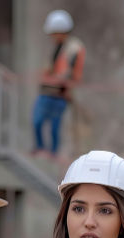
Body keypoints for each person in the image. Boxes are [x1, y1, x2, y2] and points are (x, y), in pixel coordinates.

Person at [33, 9, 85, 157]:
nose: (52, 37)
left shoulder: (74, 48)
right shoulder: (56, 47)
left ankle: (52, 154)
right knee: (37, 121)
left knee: (55, 127)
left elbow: (73, 72)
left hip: (60, 93)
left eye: (54, 33)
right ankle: (40, 148)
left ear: (61, 31)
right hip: (46, 91)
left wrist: (67, 85)